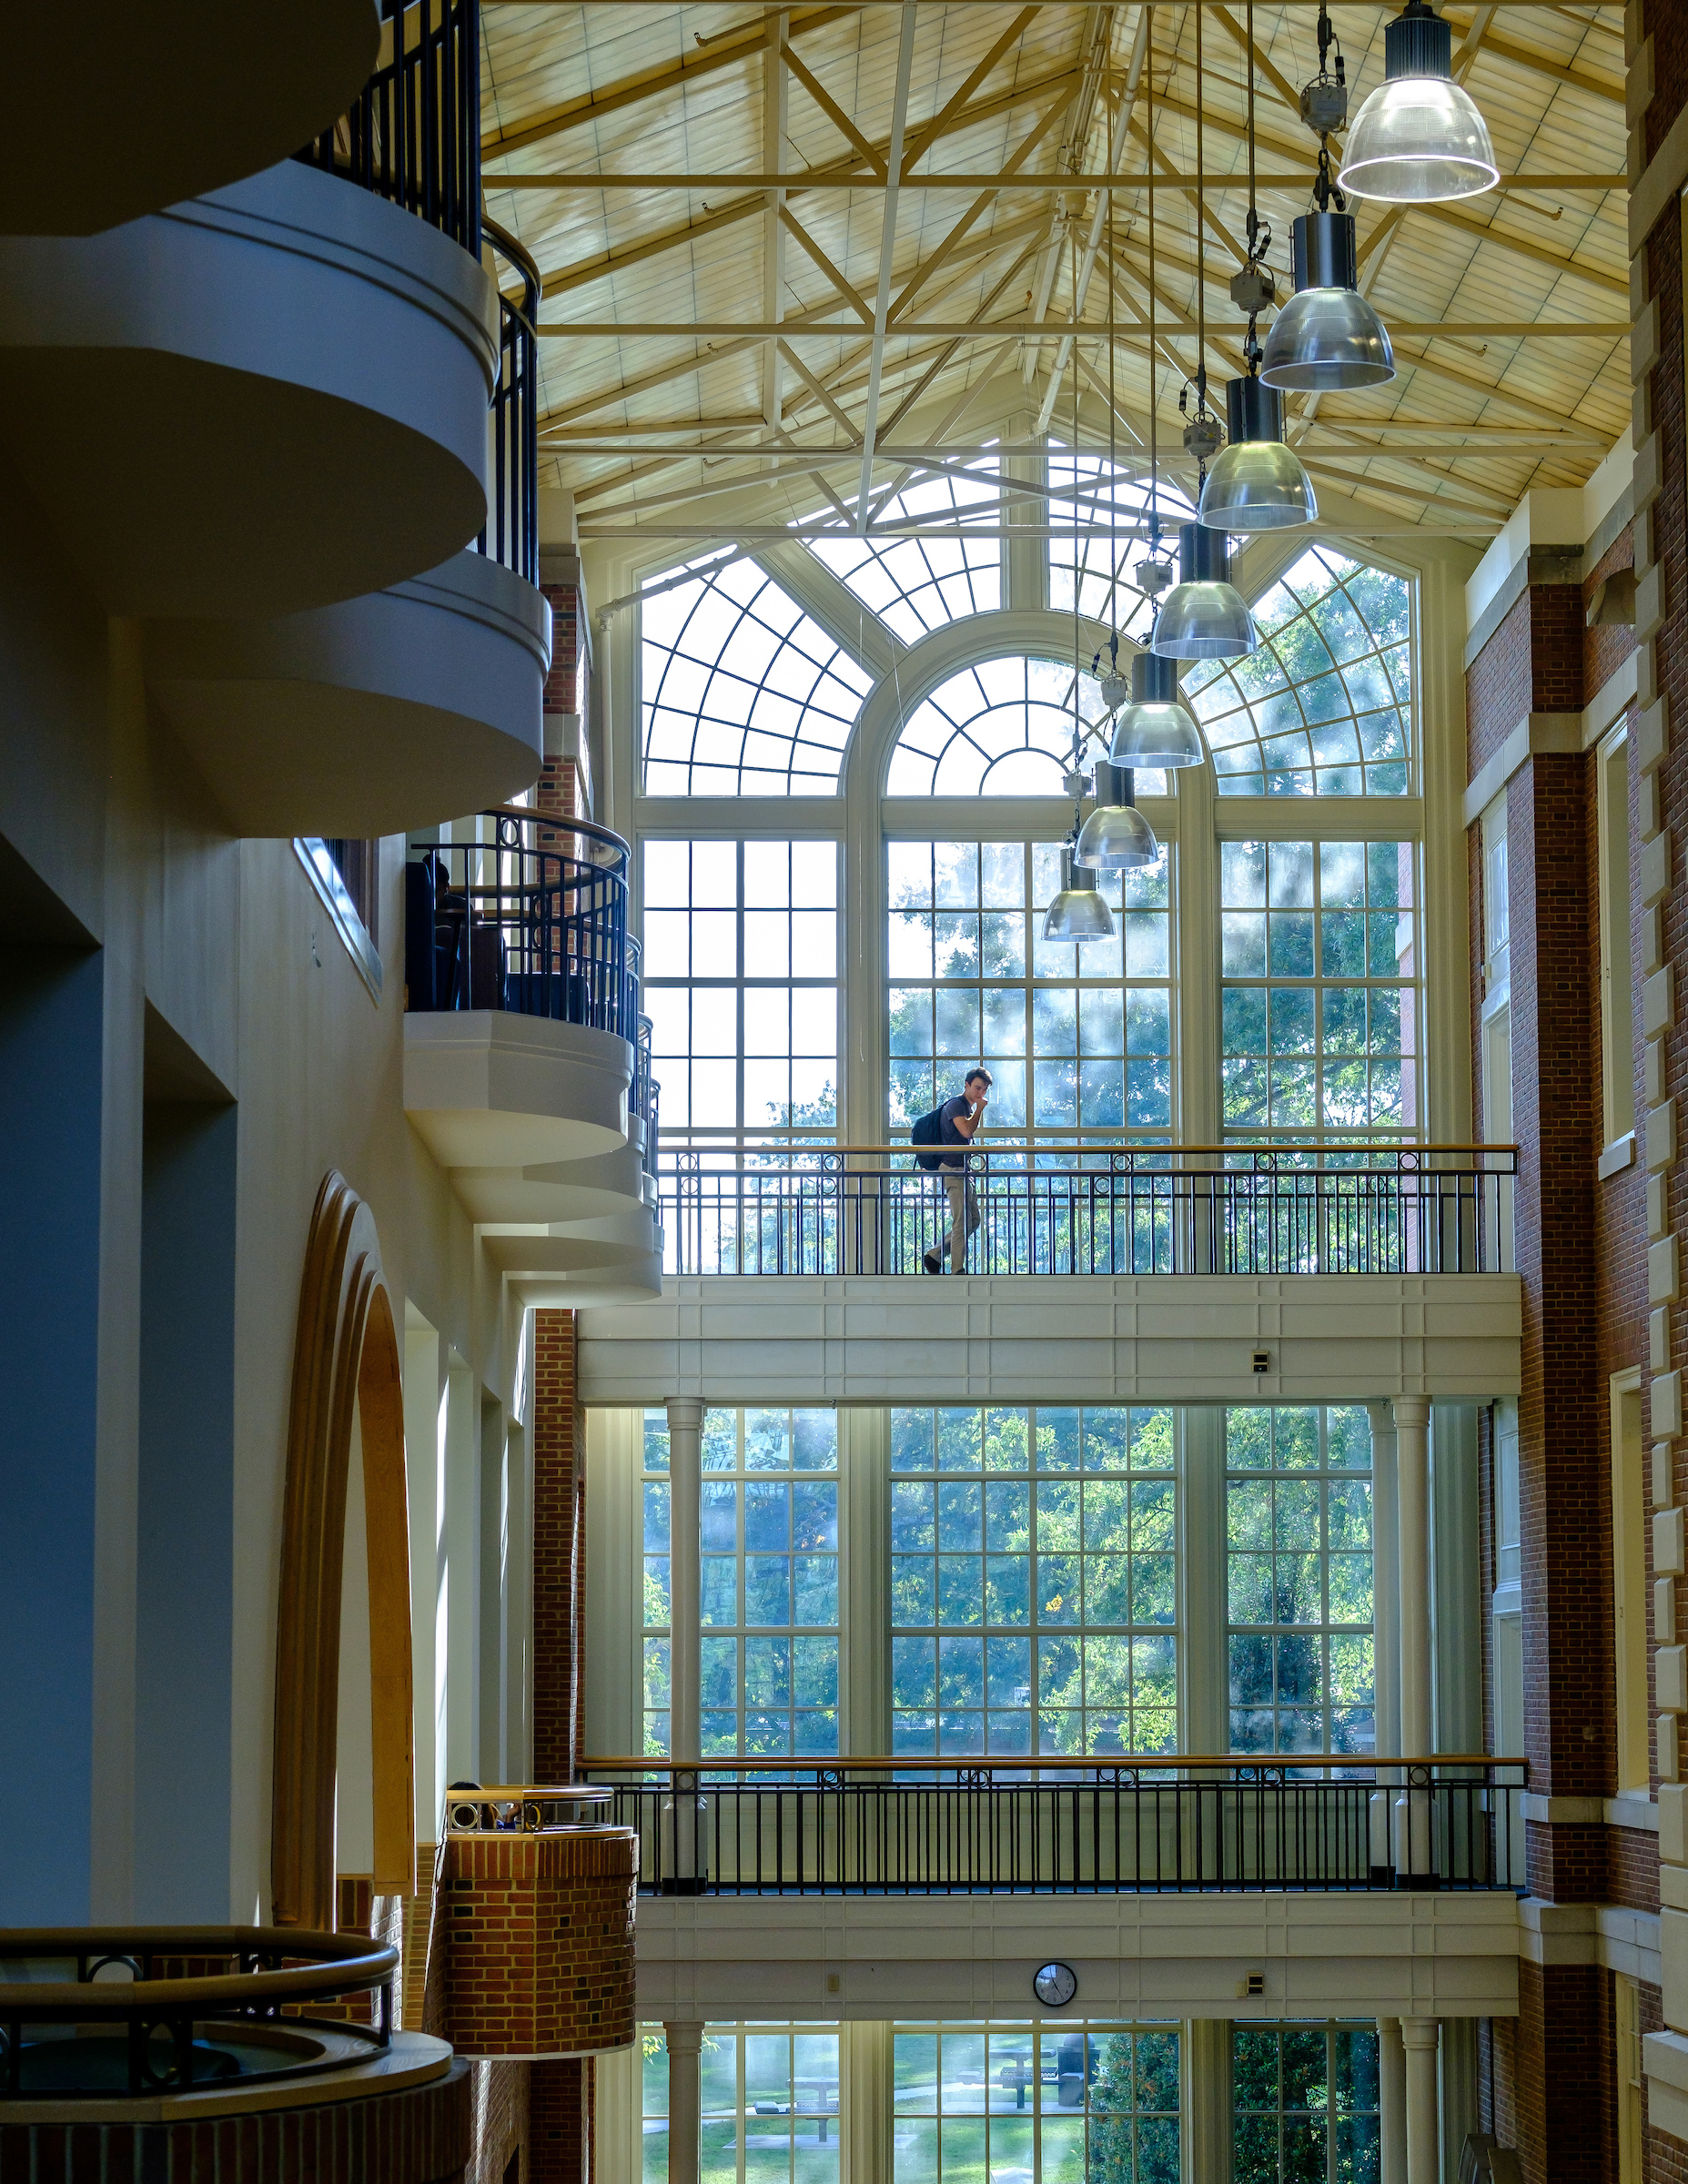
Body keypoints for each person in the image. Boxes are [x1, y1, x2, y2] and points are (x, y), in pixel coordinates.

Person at [925, 1067, 991, 1273]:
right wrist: (980, 1109)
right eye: (978, 1088)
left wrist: (976, 1109)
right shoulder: (956, 1105)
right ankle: (956, 1269)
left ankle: (935, 1254)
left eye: (984, 1090)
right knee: (961, 1221)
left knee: (973, 1220)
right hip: (953, 1170)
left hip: (963, 1172)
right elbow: (966, 1131)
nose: (980, 1094)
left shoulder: (965, 1108)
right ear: (967, 1084)